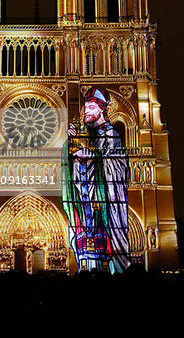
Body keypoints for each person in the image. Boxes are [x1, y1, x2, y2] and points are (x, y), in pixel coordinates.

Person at [62, 88, 131, 273]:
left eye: (91, 107)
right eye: (85, 107)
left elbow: (116, 169)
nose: (87, 111)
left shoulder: (111, 135)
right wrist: (70, 143)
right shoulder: (87, 135)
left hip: (106, 206)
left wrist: (93, 156)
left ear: (101, 109)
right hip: (87, 203)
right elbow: (74, 164)